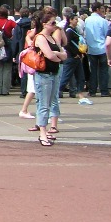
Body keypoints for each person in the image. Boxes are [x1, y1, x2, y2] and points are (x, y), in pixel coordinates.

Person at [33, 10, 67, 146]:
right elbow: (49, 55)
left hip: (54, 73)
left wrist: (56, 54)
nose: (55, 26)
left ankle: (45, 130)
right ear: (44, 24)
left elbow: (64, 54)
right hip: (43, 74)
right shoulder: (40, 37)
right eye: (52, 23)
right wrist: (57, 56)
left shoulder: (52, 38)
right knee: (43, 104)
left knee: (52, 101)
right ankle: (42, 132)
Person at [83, 3, 110, 97]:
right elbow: (107, 34)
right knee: (103, 71)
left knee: (93, 70)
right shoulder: (103, 21)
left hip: (91, 48)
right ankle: (104, 91)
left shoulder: (87, 20)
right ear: (98, 9)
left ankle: (92, 90)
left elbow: (85, 33)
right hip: (102, 48)